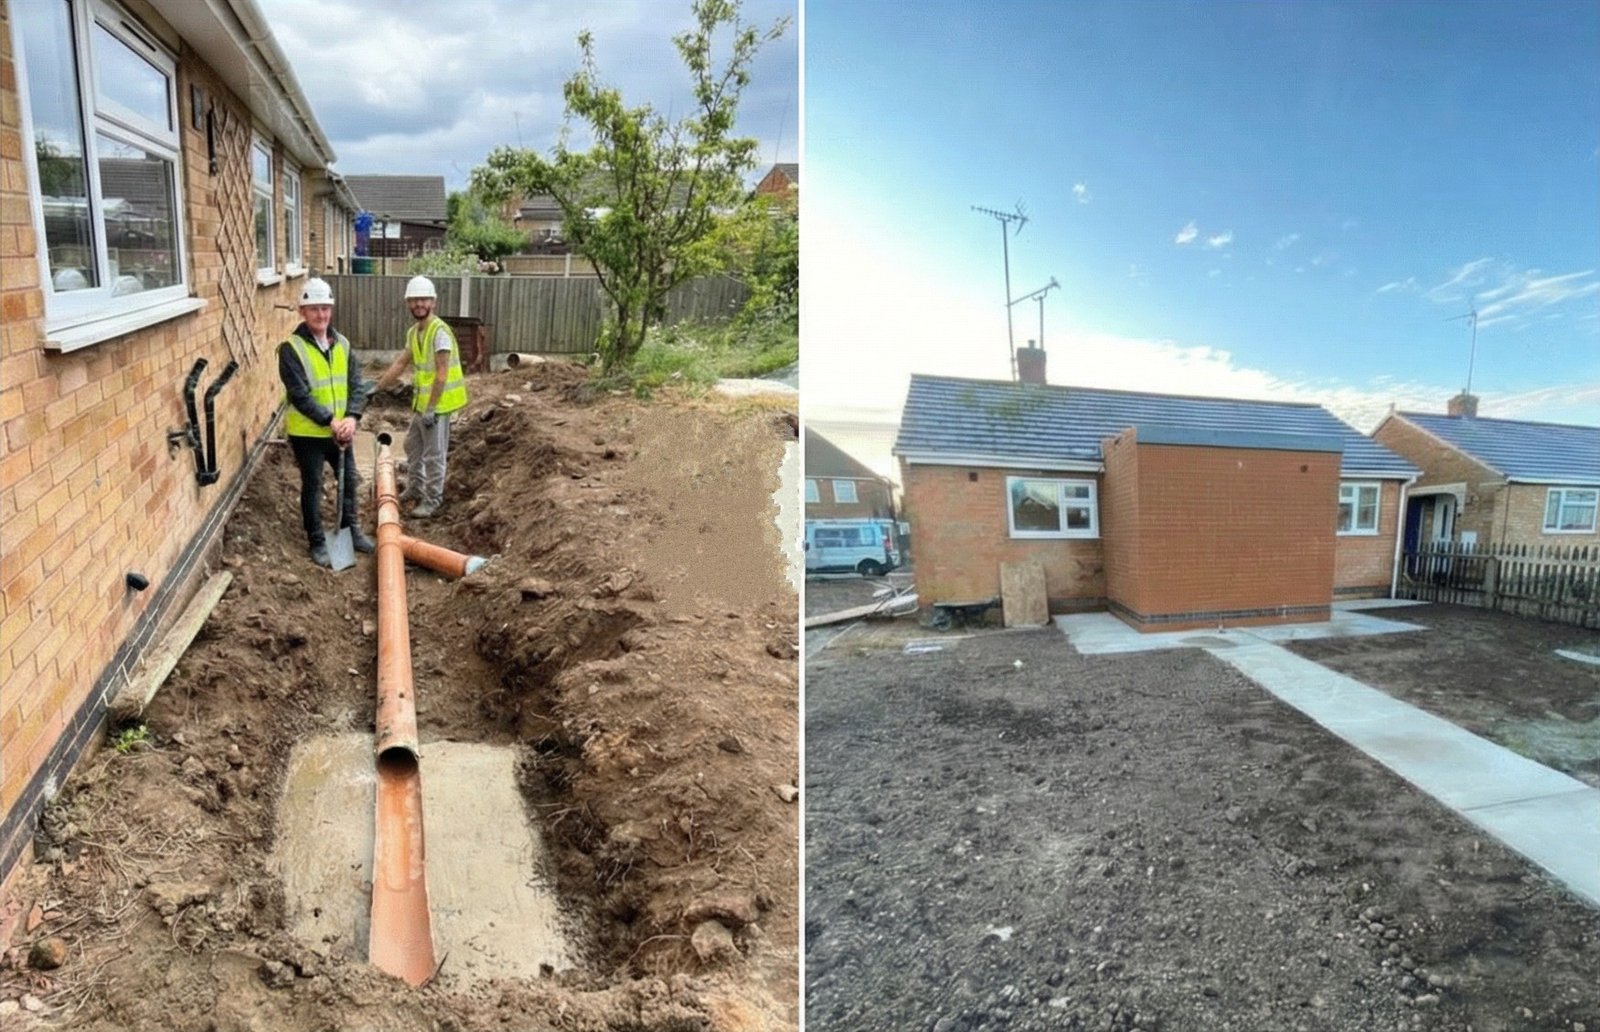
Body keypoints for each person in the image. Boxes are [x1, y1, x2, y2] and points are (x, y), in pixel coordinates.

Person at [277, 277, 373, 567]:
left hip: (341, 431)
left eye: (325, 309)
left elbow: (357, 385)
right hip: (308, 435)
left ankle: (350, 530)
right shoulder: (290, 349)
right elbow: (300, 395)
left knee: (348, 480)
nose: (321, 315)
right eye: (315, 309)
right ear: (302, 312)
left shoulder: (342, 344)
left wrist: (353, 418)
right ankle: (317, 541)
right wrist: (331, 420)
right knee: (313, 485)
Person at [374, 275, 469, 518]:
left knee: (434, 454)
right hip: (423, 405)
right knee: (412, 445)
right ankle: (415, 488)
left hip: (438, 406)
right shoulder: (414, 332)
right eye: (414, 300)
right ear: (408, 303)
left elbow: (442, 373)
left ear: (433, 302)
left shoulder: (440, 332)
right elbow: (401, 363)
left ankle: (433, 500)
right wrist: (377, 387)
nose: (419, 304)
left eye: (423, 300)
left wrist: (432, 408)